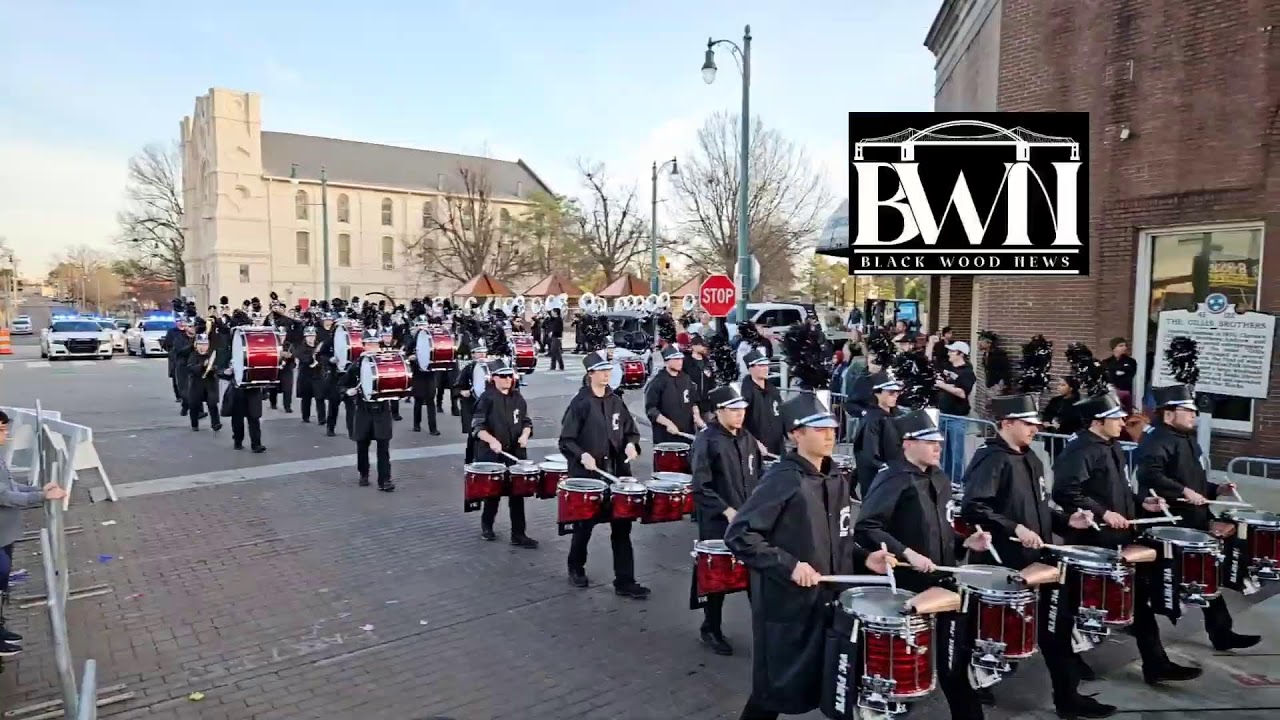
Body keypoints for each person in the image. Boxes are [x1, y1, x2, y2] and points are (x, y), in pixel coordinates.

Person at [725, 393, 895, 720]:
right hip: (791, 606)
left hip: (832, 605)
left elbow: (840, 540)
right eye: (819, 429)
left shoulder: (837, 478)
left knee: (839, 686)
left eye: (832, 427)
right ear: (795, 434)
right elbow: (740, 535)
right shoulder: (783, 478)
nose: (830, 434)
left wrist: (864, 558)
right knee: (772, 692)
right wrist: (789, 565)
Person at [960, 395, 1112, 718]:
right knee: (990, 634)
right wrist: (1013, 527)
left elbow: (1040, 507)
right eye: (1027, 423)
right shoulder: (991, 459)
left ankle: (1068, 698)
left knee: (1057, 631)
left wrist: (1065, 521)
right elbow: (974, 507)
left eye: (1035, 424)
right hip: (1004, 563)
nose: (1034, 429)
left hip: (1041, 561)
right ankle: (974, 684)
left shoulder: (1032, 459)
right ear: (1007, 423)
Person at [1051, 392, 1203, 687]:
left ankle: (1155, 663)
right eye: (1116, 418)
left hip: (1120, 536)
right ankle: (1069, 659)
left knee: (1139, 604)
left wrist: (1141, 504)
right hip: (1091, 539)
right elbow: (1066, 492)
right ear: (1098, 421)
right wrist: (1103, 512)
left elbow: (1119, 490)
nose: (1123, 422)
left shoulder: (1113, 446)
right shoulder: (1081, 449)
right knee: (1079, 605)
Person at [854, 407, 995, 720]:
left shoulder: (940, 477)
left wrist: (964, 543)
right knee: (904, 672)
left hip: (943, 585)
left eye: (939, 442)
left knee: (953, 664)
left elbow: (942, 530)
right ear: (907, 443)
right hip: (909, 591)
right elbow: (867, 526)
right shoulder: (893, 477)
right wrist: (906, 553)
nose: (938, 447)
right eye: (929, 441)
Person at [1136, 384, 1259, 651]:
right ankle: (1133, 621)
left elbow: (1194, 480)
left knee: (1207, 575)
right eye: (1188, 410)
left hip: (1195, 519)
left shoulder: (1187, 439)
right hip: (1171, 524)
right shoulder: (1156, 440)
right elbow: (1150, 475)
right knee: (1157, 583)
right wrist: (1182, 491)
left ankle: (1222, 632)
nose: (1194, 416)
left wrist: (1217, 489)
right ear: (1169, 414)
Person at [559, 350, 648, 599]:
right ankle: (575, 567)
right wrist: (581, 455)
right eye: (602, 370)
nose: (607, 374)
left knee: (622, 528)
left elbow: (631, 431)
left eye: (609, 370)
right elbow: (566, 440)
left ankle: (625, 580)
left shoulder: (615, 401)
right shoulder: (580, 403)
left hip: (617, 475)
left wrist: (632, 444)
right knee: (584, 526)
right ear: (591, 374)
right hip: (590, 479)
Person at [690, 383, 761, 656]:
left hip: (750, 520)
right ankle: (711, 627)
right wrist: (725, 509)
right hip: (719, 522)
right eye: (734, 410)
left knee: (757, 574)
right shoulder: (706, 441)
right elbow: (700, 486)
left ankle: (765, 630)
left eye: (742, 409)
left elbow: (759, 474)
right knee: (718, 578)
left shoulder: (747, 438)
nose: (740, 415)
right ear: (719, 411)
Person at [0, 411, 69, 658]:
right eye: (1, 430)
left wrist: (39, 490)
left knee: (3, 580)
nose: (6, 435)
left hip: (5, 533)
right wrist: (41, 496)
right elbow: (4, 496)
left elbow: (10, 486)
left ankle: (1, 628)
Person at [472, 358, 538, 548]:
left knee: (517, 494)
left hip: (515, 454)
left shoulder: (518, 397)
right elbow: (477, 427)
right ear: (494, 378)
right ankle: (487, 526)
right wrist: (491, 440)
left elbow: (526, 421)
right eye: (503, 376)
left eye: (510, 375)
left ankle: (518, 534)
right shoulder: (486, 399)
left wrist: (526, 434)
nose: (508, 379)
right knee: (493, 494)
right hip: (492, 454)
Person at [340, 342, 396, 492]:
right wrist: (348, 391)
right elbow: (342, 385)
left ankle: (385, 480)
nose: (373, 348)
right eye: (369, 345)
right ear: (364, 347)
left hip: (382, 409)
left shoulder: (385, 362)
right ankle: (363, 473)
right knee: (362, 444)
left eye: (375, 345)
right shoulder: (357, 365)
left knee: (383, 446)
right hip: (363, 410)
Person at [930, 337, 977, 482]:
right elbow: (929, 361)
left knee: (956, 454)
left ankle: (956, 483)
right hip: (943, 414)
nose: (949, 353)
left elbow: (962, 393)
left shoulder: (968, 372)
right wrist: (931, 344)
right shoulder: (947, 367)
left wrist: (942, 385)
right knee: (943, 453)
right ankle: (944, 481)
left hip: (957, 417)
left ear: (960, 353)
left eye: (952, 351)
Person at [853, 370, 904, 497]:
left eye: (897, 392)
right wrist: (883, 467)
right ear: (878, 393)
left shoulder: (899, 416)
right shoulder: (872, 419)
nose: (895, 396)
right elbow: (869, 452)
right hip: (878, 477)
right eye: (891, 393)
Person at [645, 346, 704, 445]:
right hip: (665, 437)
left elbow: (693, 401)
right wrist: (668, 423)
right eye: (676, 359)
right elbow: (651, 410)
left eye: (681, 359)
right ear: (667, 361)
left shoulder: (686, 378)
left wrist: (697, 417)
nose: (680, 362)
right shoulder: (657, 382)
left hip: (687, 434)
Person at [739, 349, 784, 457]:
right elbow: (740, 424)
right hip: (757, 448)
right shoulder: (745, 393)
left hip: (778, 444)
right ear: (751, 368)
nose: (766, 369)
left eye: (766, 365)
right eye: (761, 366)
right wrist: (755, 442)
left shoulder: (772, 390)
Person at [456, 342, 489, 464]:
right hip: (472, 406)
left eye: (483, 352)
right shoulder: (469, 368)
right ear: (473, 354)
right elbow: (457, 386)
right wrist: (462, 391)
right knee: (473, 435)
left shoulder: (492, 366)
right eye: (478, 352)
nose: (481, 354)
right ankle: (469, 462)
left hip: (489, 406)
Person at [405, 327, 441, 435]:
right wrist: (411, 358)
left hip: (430, 374)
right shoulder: (412, 342)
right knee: (418, 400)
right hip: (418, 374)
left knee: (430, 401)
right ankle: (416, 424)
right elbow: (407, 356)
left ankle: (433, 428)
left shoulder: (433, 341)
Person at [185, 332, 222, 432]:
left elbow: (218, 368)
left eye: (205, 344)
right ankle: (194, 424)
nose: (203, 347)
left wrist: (212, 368)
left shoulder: (212, 355)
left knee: (212, 404)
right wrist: (202, 366)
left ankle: (216, 423)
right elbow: (190, 368)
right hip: (196, 383)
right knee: (194, 404)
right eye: (200, 344)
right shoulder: (193, 355)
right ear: (196, 345)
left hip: (210, 383)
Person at [293, 326, 325, 423]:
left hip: (317, 374)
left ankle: (322, 418)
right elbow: (304, 359)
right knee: (306, 398)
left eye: (312, 336)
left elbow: (324, 358)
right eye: (308, 336)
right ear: (305, 337)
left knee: (320, 397)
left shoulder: (320, 346)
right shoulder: (300, 347)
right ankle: (305, 416)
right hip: (305, 375)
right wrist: (314, 354)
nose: (311, 338)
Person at [681, 334, 714, 420]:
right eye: (701, 345)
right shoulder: (686, 362)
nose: (704, 348)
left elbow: (711, 381)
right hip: (690, 403)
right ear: (694, 346)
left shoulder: (707, 362)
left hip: (706, 403)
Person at [1099, 337, 1137, 410]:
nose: (1124, 348)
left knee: (1125, 412)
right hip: (1111, 392)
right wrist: (1117, 373)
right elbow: (1106, 377)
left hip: (1125, 391)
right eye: (1121, 346)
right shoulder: (1106, 362)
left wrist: (1115, 373)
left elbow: (1129, 376)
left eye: (1125, 345)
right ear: (1114, 348)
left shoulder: (1131, 361)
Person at [978, 331, 1012, 396]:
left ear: (989, 343)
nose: (979, 343)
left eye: (982, 341)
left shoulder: (998, 354)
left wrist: (1002, 385)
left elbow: (1005, 370)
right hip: (990, 385)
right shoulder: (986, 354)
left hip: (998, 386)